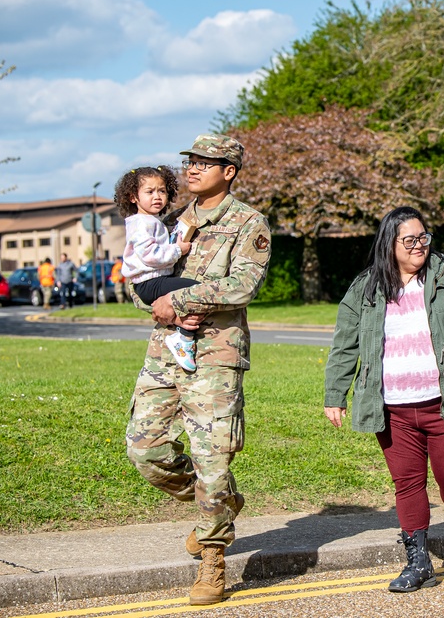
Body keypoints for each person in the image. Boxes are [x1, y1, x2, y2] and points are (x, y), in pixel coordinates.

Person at [324, 206, 444, 593]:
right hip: (392, 405)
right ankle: (418, 560)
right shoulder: (365, 287)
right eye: (409, 240)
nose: (419, 246)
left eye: (423, 237)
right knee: (407, 483)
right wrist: (335, 394)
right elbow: (345, 343)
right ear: (389, 245)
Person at [125, 134, 271, 606]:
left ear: (228, 170)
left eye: (205, 162)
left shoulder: (248, 222)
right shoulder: (169, 220)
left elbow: (243, 285)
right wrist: (159, 305)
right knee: (144, 448)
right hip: (165, 351)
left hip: (216, 354)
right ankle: (220, 501)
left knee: (214, 458)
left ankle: (212, 559)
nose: (191, 168)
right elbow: (140, 279)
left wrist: (182, 300)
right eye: (189, 161)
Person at [115, 167, 200, 371]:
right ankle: (183, 338)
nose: (157, 197)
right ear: (133, 197)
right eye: (149, 191)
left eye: (162, 191)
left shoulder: (151, 221)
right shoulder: (142, 223)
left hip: (152, 281)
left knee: (192, 295)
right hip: (150, 283)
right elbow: (150, 255)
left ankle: (183, 333)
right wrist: (178, 250)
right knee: (197, 289)